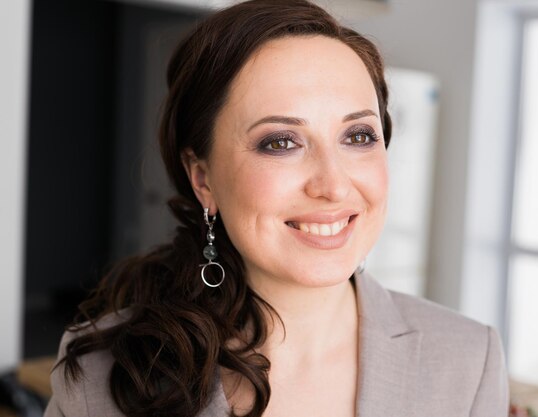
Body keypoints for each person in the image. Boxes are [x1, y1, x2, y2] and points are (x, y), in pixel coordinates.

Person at [44, 0, 509, 416]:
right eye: (280, 142)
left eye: (359, 136)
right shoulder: (102, 374)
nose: (332, 185)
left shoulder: (468, 361)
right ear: (203, 179)